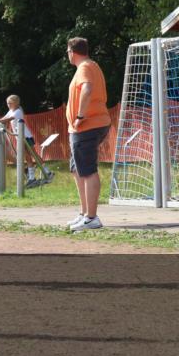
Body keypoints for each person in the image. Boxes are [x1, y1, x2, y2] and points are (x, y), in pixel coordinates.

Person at [64, 37, 112, 231]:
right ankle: (85, 214)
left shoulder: (84, 67)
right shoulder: (91, 65)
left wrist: (80, 116)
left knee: (88, 170)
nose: (67, 55)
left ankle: (92, 217)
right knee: (78, 169)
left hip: (87, 126)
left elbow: (87, 89)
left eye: (67, 52)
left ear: (72, 52)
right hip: (89, 126)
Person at [0, 94, 38, 183]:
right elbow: (4, 118)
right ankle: (31, 177)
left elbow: (7, 120)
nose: (8, 105)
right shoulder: (11, 111)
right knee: (28, 157)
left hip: (26, 137)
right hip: (20, 137)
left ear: (15, 103)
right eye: (7, 103)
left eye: (10, 103)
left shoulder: (18, 111)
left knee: (33, 155)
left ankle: (46, 171)